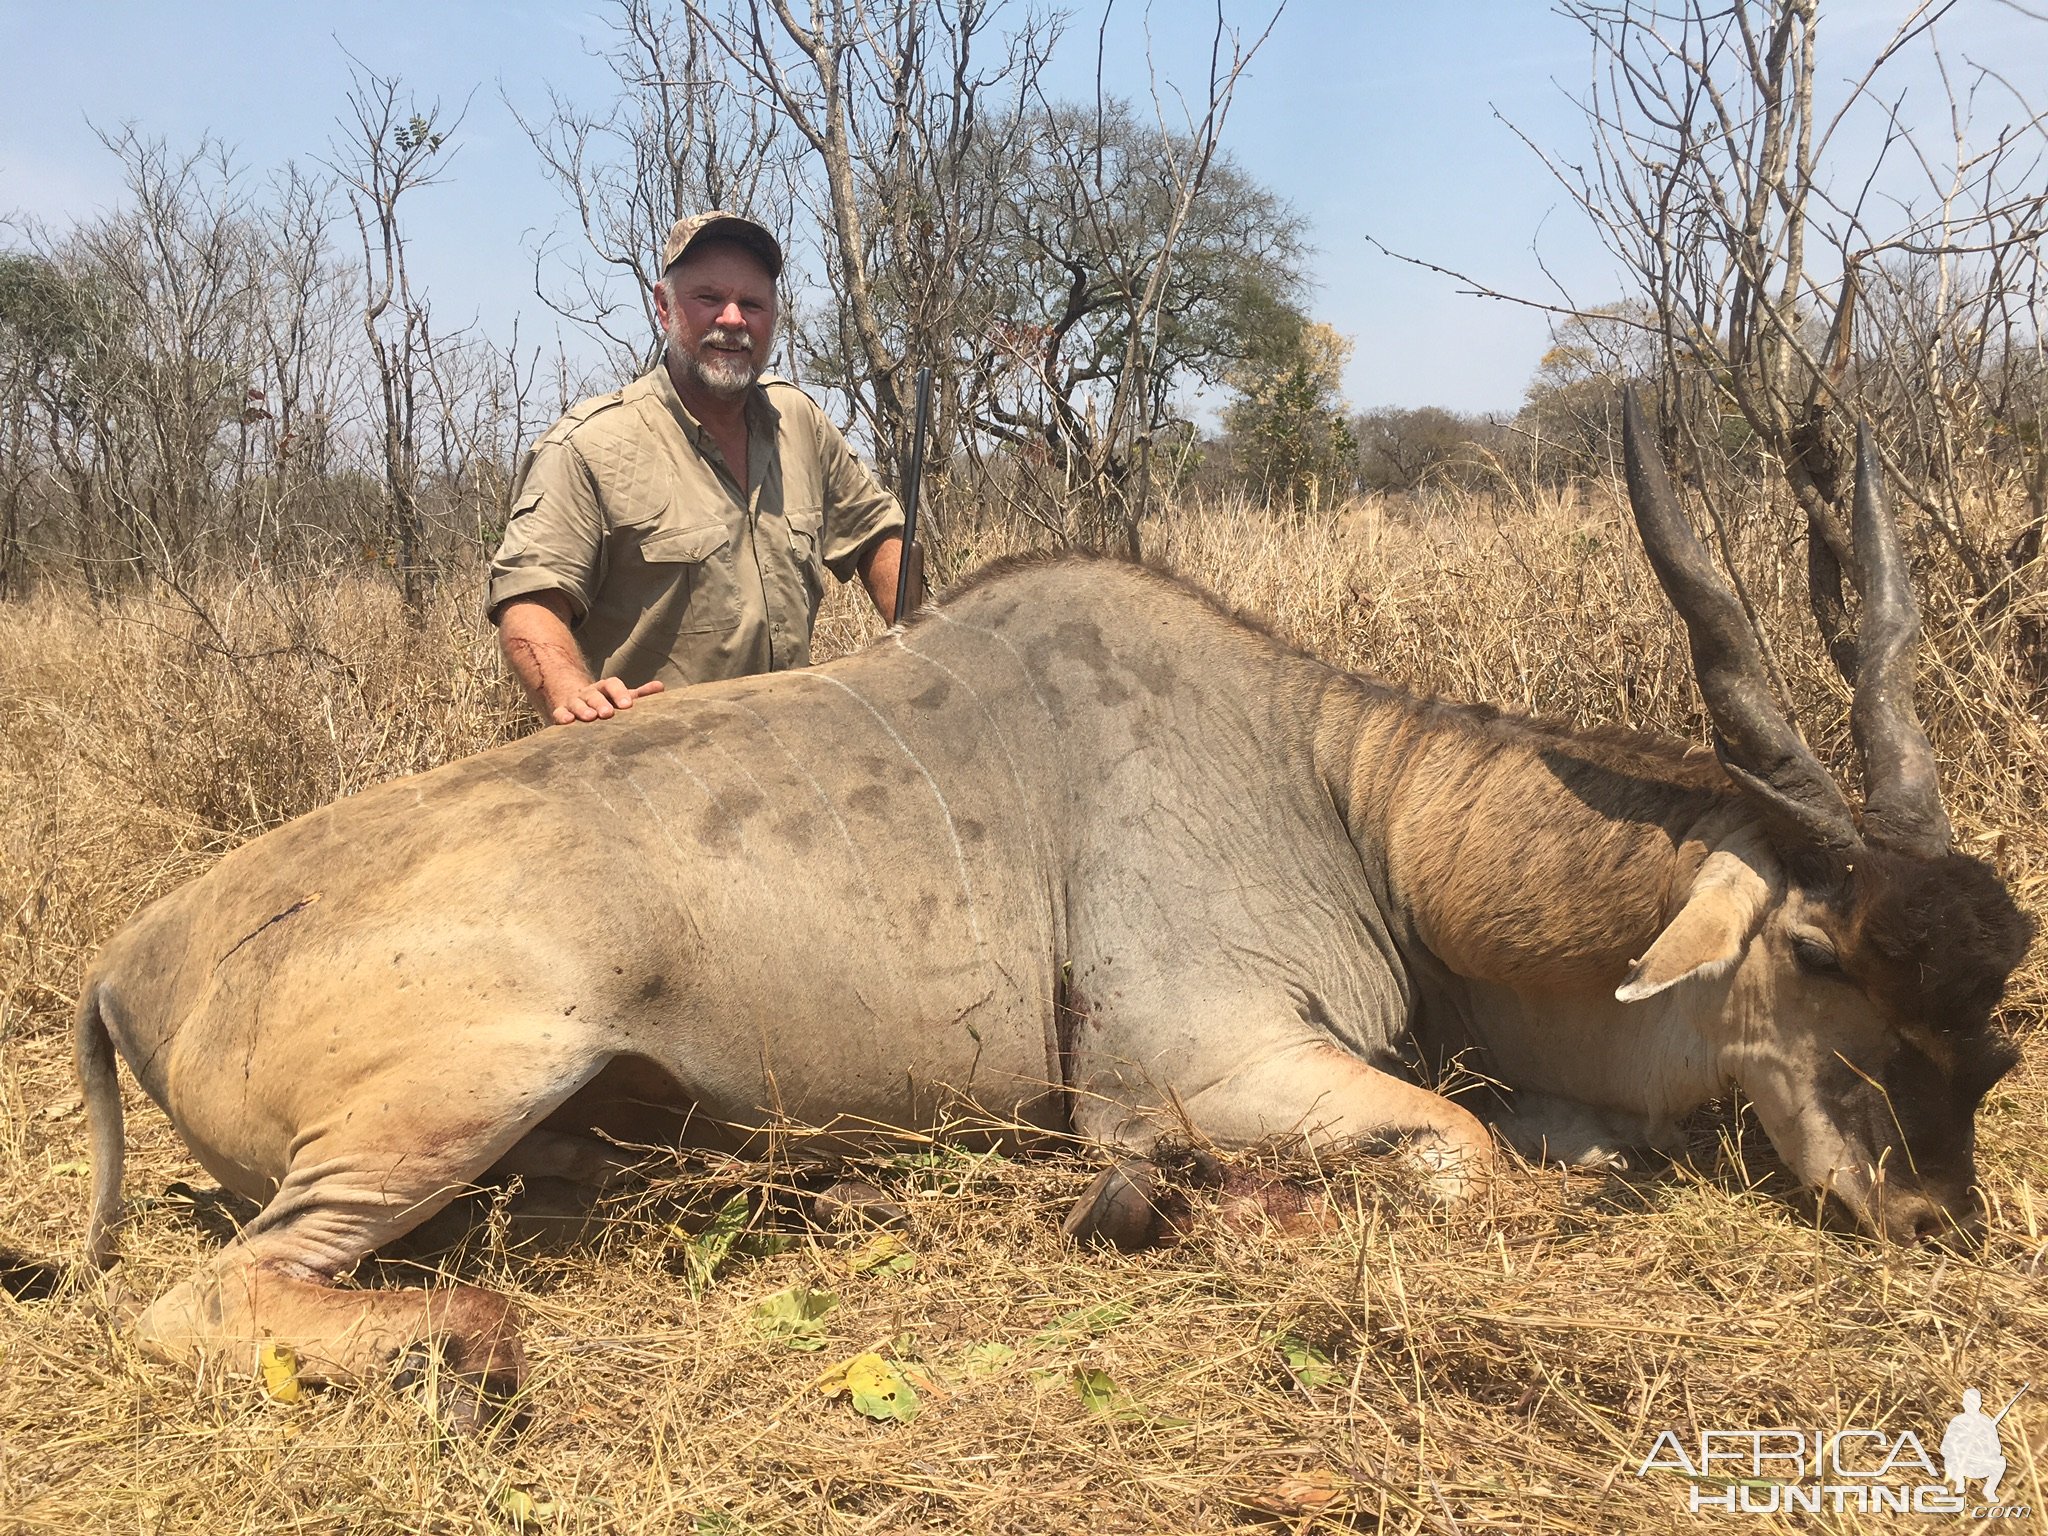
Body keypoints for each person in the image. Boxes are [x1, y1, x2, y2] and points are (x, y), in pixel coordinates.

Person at [488, 211, 907, 724]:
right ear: (664, 307)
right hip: (660, 761)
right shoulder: (588, 447)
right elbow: (530, 600)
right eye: (709, 299)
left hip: (792, 745)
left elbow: (879, 535)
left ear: (773, 315)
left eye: (751, 304)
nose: (732, 320)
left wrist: (921, 645)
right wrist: (571, 692)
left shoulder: (799, 422)